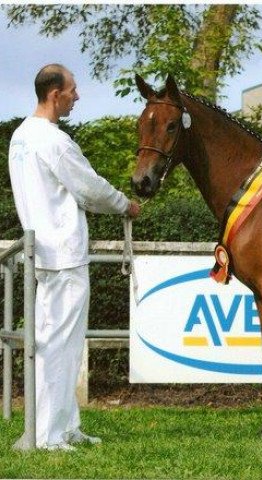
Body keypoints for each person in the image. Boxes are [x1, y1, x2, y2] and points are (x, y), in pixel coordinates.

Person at [8, 64, 141, 451]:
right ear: (55, 95)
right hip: (62, 253)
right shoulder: (55, 141)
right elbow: (89, 187)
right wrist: (124, 205)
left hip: (43, 253)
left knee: (58, 342)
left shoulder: (20, 137)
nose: (77, 97)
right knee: (58, 345)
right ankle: (49, 435)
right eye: (72, 90)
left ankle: (64, 426)